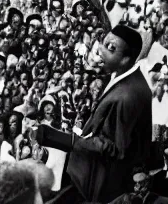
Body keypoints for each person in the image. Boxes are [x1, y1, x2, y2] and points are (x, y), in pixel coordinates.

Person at [50, 26, 153, 204]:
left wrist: (72, 140)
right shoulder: (120, 77)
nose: (101, 51)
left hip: (101, 187)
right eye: (104, 44)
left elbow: (117, 150)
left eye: (111, 48)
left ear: (126, 59)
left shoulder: (128, 96)